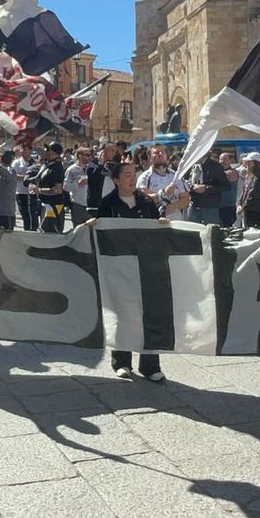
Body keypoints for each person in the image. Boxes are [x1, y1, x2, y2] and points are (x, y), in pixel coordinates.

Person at [95, 161, 165, 382]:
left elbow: (156, 225)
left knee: (150, 314)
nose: (132, 179)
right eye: (126, 175)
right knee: (123, 314)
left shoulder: (146, 202)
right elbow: (101, 234)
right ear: (116, 180)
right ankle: (122, 362)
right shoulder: (108, 204)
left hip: (145, 266)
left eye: (133, 174)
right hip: (119, 267)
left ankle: (150, 366)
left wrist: (161, 224)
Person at [137, 147, 190, 218]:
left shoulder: (176, 176)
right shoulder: (144, 178)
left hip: (176, 222)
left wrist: (176, 205)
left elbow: (186, 198)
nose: (160, 154)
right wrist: (164, 193)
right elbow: (143, 199)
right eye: (156, 152)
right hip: (155, 222)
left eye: (163, 152)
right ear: (149, 158)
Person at [186, 148, 230, 226]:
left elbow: (225, 186)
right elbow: (186, 181)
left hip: (210, 207)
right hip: (193, 205)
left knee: (211, 233)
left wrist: (206, 188)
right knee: (192, 232)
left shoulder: (215, 166)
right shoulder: (192, 166)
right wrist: (192, 187)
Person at [35, 143, 69, 233]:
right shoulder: (48, 165)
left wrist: (39, 190)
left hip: (54, 206)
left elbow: (57, 190)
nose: (45, 152)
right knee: (44, 233)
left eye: (47, 150)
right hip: (46, 204)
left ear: (53, 152)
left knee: (51, 234)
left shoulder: (57, 167)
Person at [238, 153, 260, 228]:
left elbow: (254, 193)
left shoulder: (259, 176)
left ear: (254, 163)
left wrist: (243, 207)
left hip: (256, 210)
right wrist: (240, 204)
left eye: (248, 162)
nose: (246, 164)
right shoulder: (249, 175)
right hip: (248, 210)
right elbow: (244, 191)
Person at [64, 146, 92, 226]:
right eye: (87, 155)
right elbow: (66, 187)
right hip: (78, 205)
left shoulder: (91, 169)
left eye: (90, 155)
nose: (89, 157)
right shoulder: (71, 170)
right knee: (78, 230)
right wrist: (77, 184)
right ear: (80, 155)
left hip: (91, 205)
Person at [218, 151, 240, 229]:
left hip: (229, 205)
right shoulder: (219, 172)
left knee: (228, 227)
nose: (222, 162)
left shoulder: (233, 172)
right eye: (220, 159)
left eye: (224, 159)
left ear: (230, 161)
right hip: (218, 205)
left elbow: (227, 176)